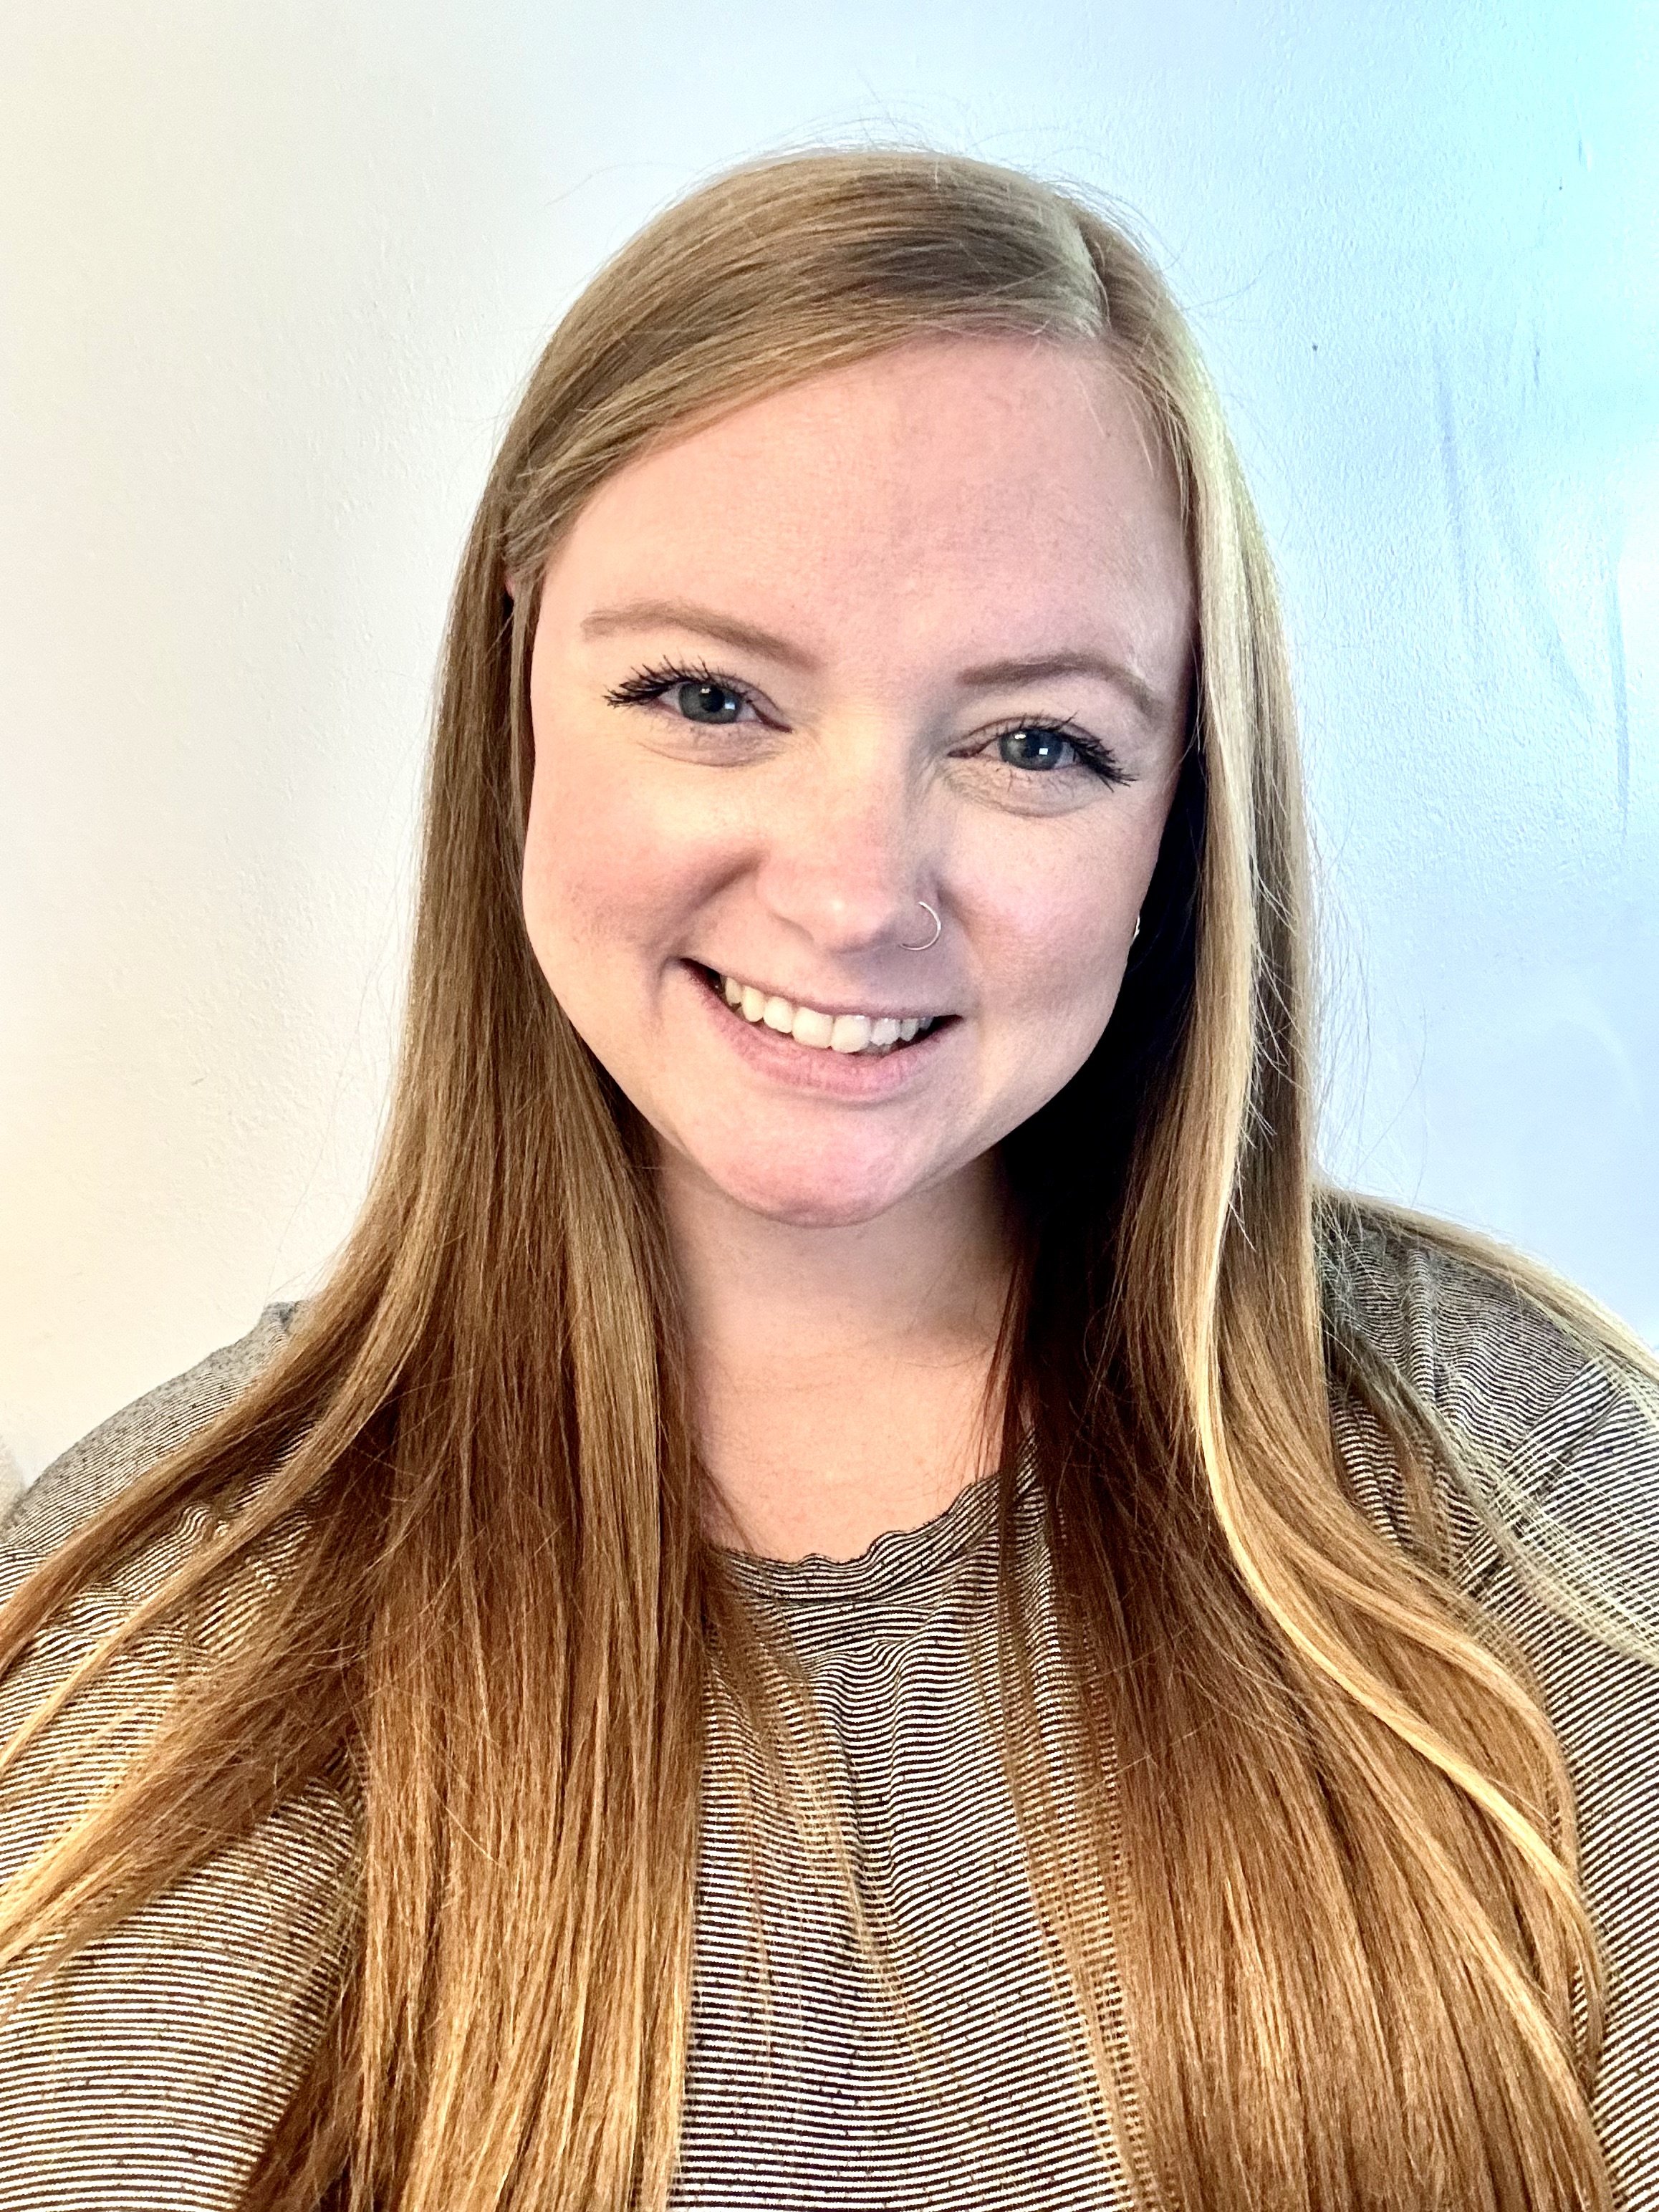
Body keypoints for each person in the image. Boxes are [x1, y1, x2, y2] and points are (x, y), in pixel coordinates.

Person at [1, 143, 1655, 2212]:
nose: (856, 890)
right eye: (707, 697)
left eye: (1033, 743)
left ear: (1179, 820)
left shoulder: (1521, 1501)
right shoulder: (134, 1665)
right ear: (516, 699)